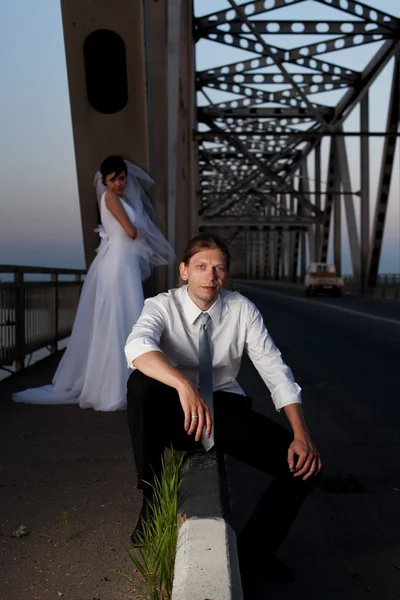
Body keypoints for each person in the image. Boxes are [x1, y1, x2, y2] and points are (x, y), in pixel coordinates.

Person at [124, 232, 322, 581]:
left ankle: (253, 554)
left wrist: (301, 433)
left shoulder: (242, 309)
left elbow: (275, 370)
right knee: (140, 385)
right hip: (174, 410)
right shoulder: (161, 305)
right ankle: (151, 498)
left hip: (223, 409)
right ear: (184, 271)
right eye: (201, 266)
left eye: (218, 268)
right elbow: (137, 346)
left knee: (305, 467)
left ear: (225, 275)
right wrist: (183, 384)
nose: (210, 276)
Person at [13, 156, 175, 411]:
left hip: (121, 264)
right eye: (114, 179)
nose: (119, 183)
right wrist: (138, 230)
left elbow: (128, 232)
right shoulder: (111, 198)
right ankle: (114, 386)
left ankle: (122, 382)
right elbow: (131, 232)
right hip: (119, 267)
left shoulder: (115, 199)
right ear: (105, 181)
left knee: (120, 320)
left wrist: (135, 231)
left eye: (122, 177)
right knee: (118, 321)